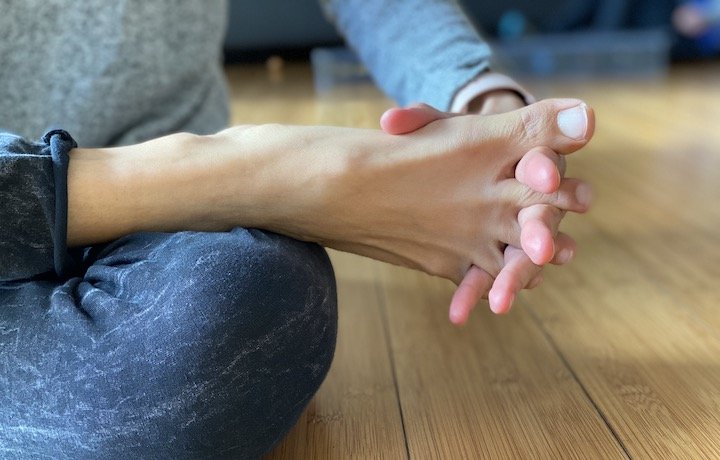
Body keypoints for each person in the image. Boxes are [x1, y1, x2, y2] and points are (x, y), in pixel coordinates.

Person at [0, 0, 593, 457]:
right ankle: (244, 170)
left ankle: (227, 177)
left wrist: (484, 110)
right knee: (125, 409)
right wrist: (251, 172)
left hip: (169, 226)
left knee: (238, 300)